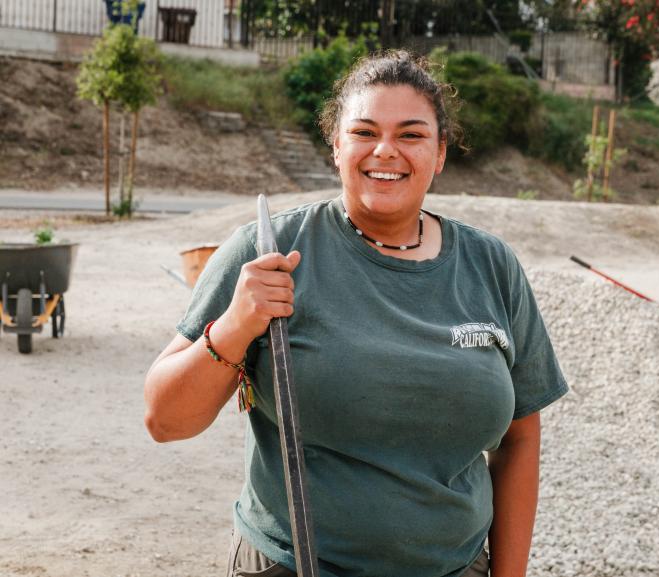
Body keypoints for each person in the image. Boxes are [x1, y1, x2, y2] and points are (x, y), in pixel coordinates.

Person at [144, 50, 568, 577]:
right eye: (364, 132)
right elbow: (164, 420)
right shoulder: (268, 250)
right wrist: (233, 327)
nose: (385, 151)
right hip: (293, 566)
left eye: (411, 135)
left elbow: (521, 439)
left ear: (439, 154)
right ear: (337, 147)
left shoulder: (491, 265)